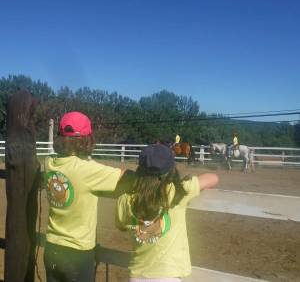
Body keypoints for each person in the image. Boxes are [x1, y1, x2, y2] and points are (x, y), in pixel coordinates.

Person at [43, 111, 132, 282]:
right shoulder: (88, 169)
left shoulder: (49, 164)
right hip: (78, 252)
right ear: (86, 140)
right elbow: (126, 177)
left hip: (52, 247)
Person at [115, 144, 219, 281]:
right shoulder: (178, 191)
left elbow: (121, 225)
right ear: (171, 170)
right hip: (168, 274)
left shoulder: (126, 198)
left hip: (137, 274)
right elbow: (213, 178)